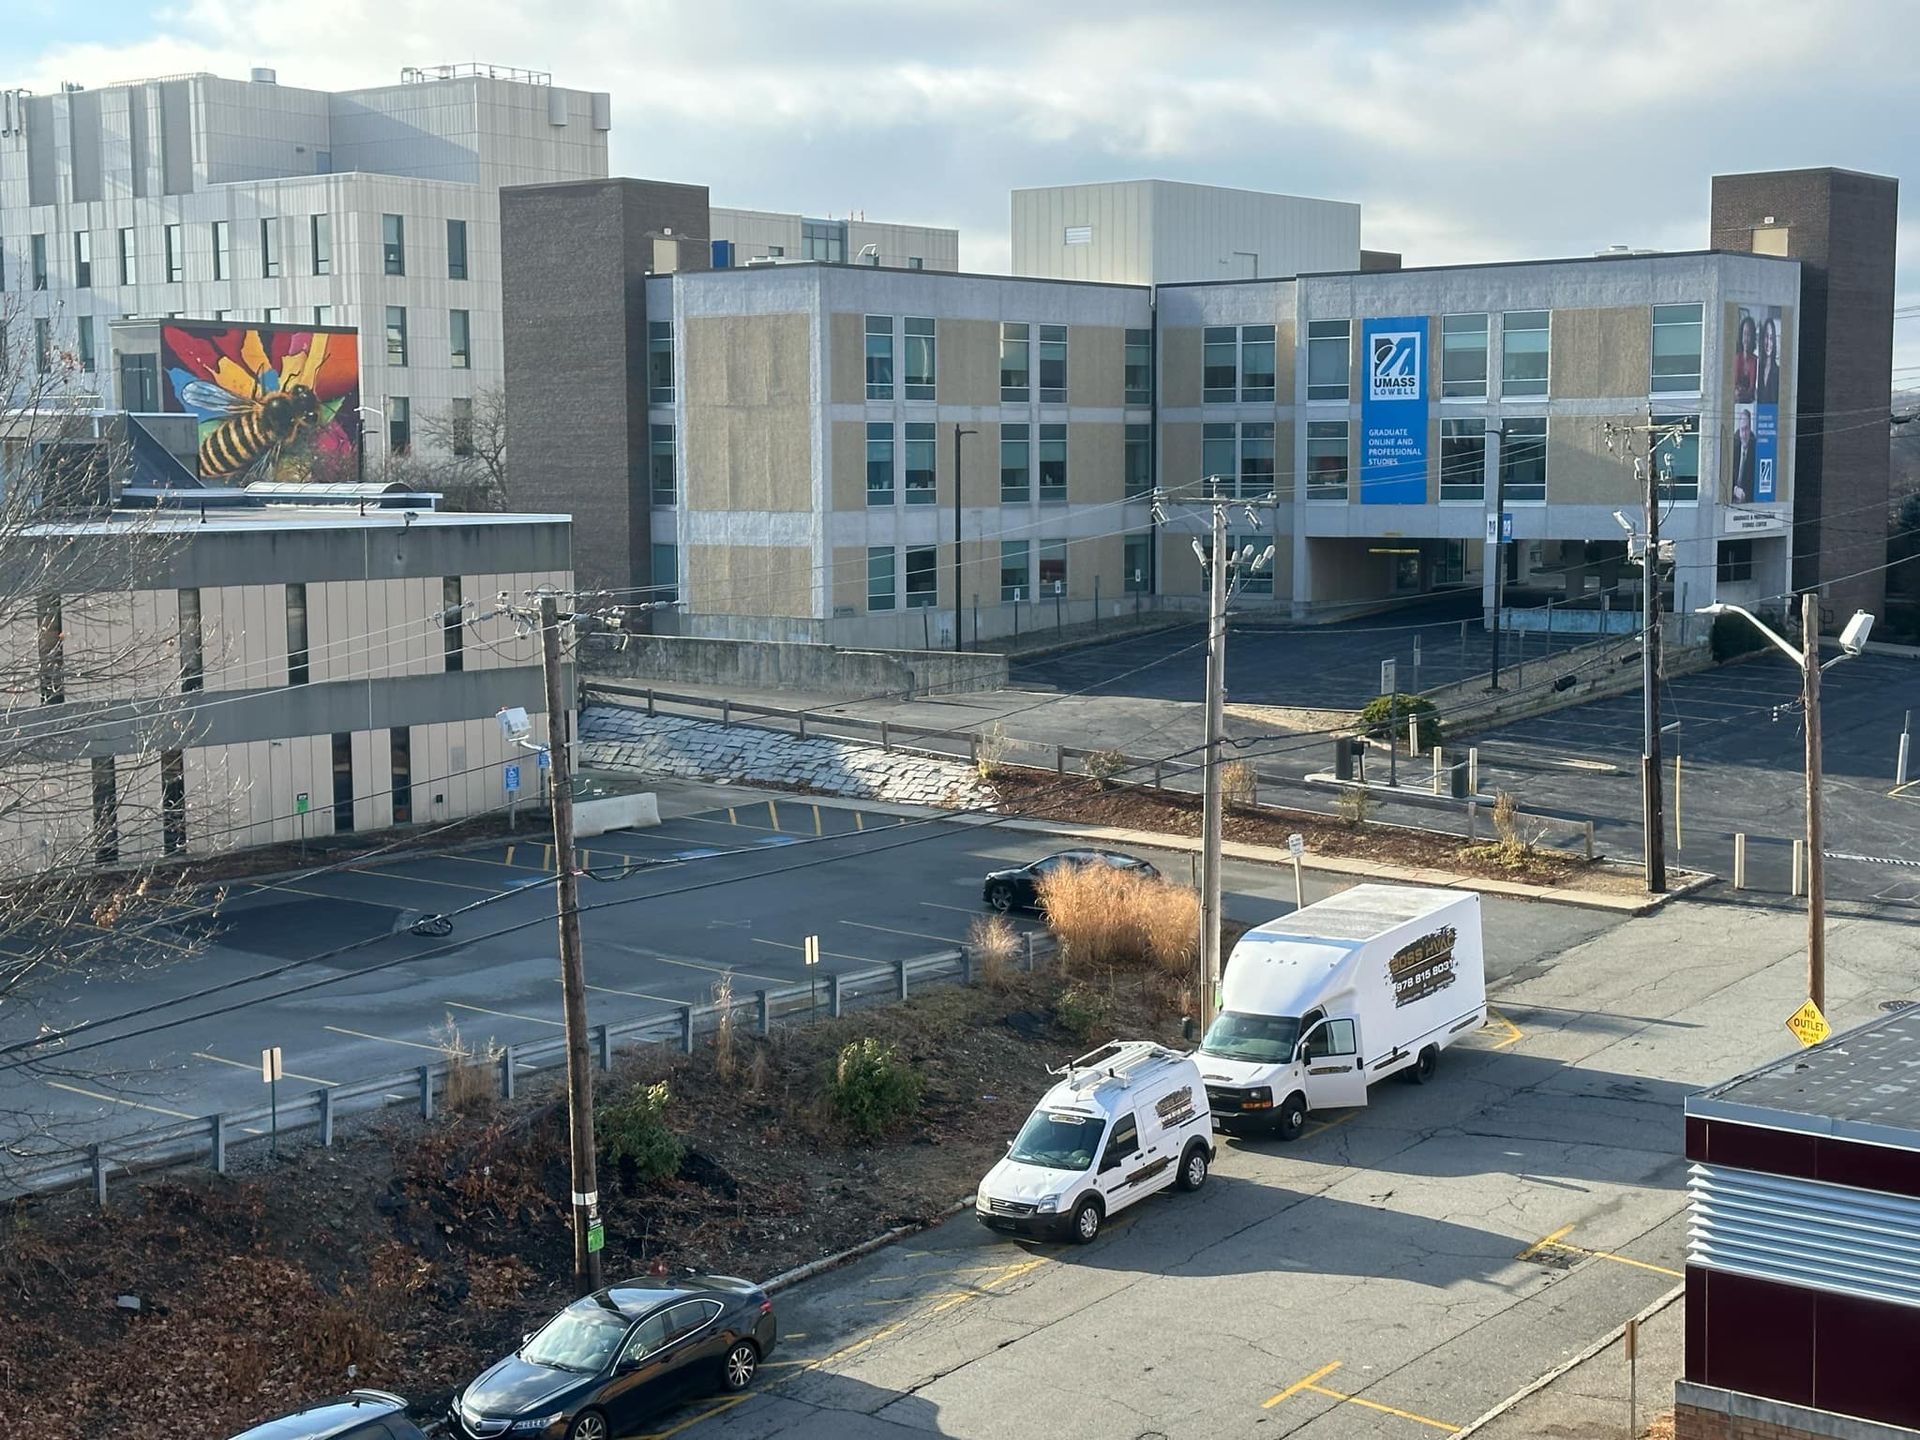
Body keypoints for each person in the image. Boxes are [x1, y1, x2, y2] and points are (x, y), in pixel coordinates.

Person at [1730, 406, 1756, 503]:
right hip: (1731, 496)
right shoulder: (1733, 445)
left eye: (1747, 429)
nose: (1744, 434)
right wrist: (1734, 489)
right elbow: (1724, 474)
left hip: (1748, 500)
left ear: (1750, 429)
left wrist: (1745, 495)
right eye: (1742, 430)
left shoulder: (1756, 448)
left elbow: (1755, 482)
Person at [1733, 312, 1758, 404]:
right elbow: (1733, 384)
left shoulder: (1755, 361)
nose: (1746, 339)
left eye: (1749, 335)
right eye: (1745, 334)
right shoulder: (1736, 358)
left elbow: (1752, 388)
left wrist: (1744, 393)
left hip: (1749, 402)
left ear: (1753, 337)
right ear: (1741, 336)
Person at [1757, 316, 1780, 405]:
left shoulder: (1778, 372)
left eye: (1771, 338)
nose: (1768, 343)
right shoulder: (1758, 368)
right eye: (1766, 336)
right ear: (1762, 339)